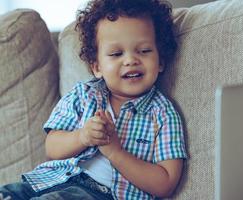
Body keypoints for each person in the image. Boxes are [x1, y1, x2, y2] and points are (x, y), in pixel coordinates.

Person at [0, 0, 187, 199]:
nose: (131, 60)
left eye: (144, 51)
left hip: (102, 194)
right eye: (116, 54)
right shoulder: (84, 95)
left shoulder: (163, 114)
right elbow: (52, 147)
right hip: (52, 180)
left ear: (161, 61)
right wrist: (82, 137)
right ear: (97, 66)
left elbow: (165, 183)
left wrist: (116, 153)